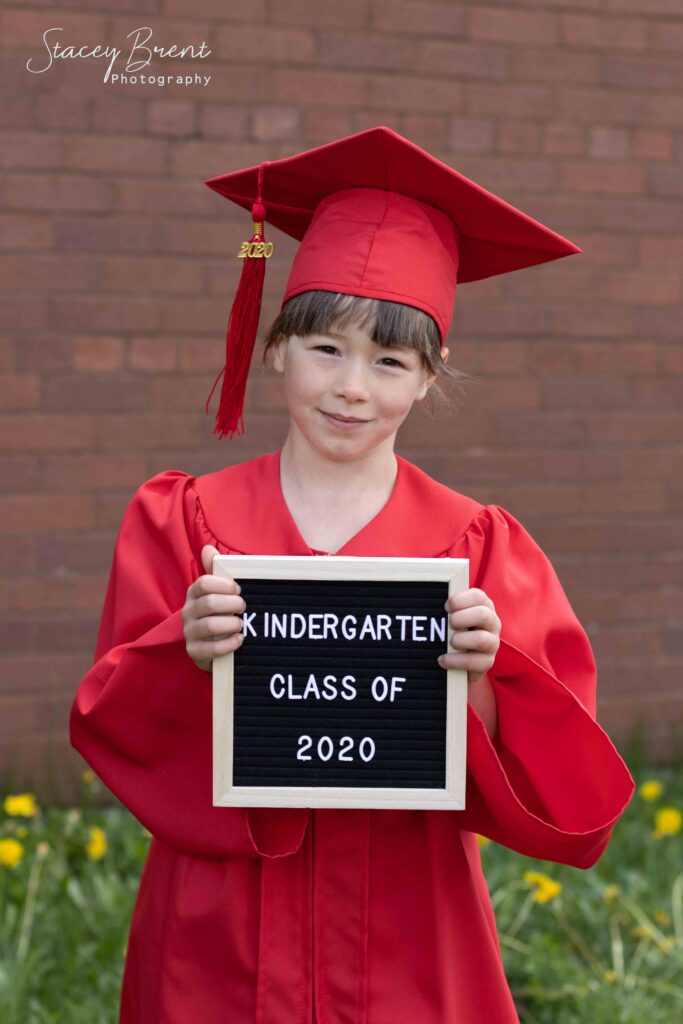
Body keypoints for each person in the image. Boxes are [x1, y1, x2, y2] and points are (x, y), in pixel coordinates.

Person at [69, 127, 635, 1024]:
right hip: (220, 928)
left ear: (425, 382)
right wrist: (186, 644)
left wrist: (489, 677)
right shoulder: (183, 522)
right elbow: (112, 720)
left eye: (390, 362)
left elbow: (562, 781)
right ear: (274, 352)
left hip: (411, 923)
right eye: (325, 349)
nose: (352, 388)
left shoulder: (480, 547)